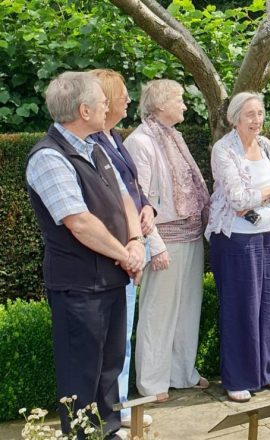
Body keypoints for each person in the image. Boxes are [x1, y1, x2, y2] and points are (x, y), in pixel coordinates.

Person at [26, 71, 145, 439]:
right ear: (84, 109)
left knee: (109, 370)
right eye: (101, 100)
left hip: (109, 280)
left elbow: (125, 197)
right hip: (79, 287)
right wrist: (125, 255)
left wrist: (137, 239)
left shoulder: (94, 147)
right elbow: (79, 222)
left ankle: (108, 433)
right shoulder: (49, 157)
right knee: (82, 378)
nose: (107, 105)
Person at [124, 79, 210, 402]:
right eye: (179, 100)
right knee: (158, 312)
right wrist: (154, 243)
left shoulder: (176, 136)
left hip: (190, 234)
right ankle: (152, 382)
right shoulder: (141, 142)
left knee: (188, 308)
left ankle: (182, 373)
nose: (184, 105)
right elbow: (138, 198)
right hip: (164, 238)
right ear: (160, 104)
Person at [205, 92, 270, 402]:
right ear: (235, 118)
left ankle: (268, 371)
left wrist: (263, 193)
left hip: (268, 235)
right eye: (250, 114)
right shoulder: (223, 150)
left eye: (260, 113)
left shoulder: (266, 145)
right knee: (241, 307)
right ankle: (238, 378)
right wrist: (266, 191)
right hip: (236, 240)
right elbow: (238, 200)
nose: (257, 120)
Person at [88, 69, 155, 429]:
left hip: (133, 243)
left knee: (123, 335)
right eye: (124, 94)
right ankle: (111, 410)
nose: (129, 100)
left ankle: (121, 406)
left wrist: (147, 208)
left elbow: (132, 187)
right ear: (107, 100)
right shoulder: (92, 144)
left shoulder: (115, 137)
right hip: (114, 252)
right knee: (113, 340)